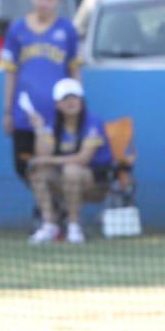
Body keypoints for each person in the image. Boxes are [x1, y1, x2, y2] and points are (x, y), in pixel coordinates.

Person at [1, 0, 79, 215]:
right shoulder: (17, 29)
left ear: (56, 0)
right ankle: (48, 206)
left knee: (54, 165)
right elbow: (10, 73)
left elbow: (75, 70)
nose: (43, 2)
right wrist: (7, 111)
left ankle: (55, 210)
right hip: (25, 112)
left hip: (56, 113)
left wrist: (76, 105)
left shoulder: (66, 30)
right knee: (23, 164)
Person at [21, 77, 112, 245]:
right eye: (65, 99)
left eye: (74, 97)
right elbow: (41, 155)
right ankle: (50, 225)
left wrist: (48, 159)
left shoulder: (93, 123)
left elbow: (83, 159)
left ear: (82, 100)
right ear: (58, 104)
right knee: (38, 173)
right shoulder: (53, 124)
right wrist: (39, 129)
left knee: (72, 170)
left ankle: (74, 226)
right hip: (64, 182)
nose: (71, 102)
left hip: (96, 183)